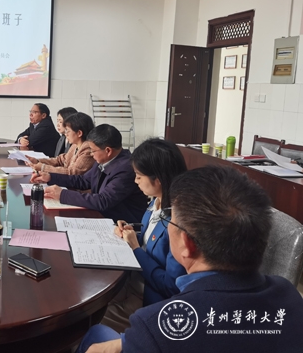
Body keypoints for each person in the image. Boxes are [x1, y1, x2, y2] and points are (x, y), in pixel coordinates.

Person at [76, 166, 303, 353]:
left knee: (95, 335)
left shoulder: (161, 324)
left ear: (188, 244)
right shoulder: (289, 294)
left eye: (170, 221)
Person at [102, 138, 187, 333]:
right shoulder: (156, 201)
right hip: (132, 282)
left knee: (89, 320)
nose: (135, 181)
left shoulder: (178, 221)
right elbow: (150, 237)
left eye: (139, 176)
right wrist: (130, 231)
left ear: (158, 179)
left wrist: (135, 248)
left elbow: (171, 286)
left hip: (148, 299)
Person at [31, 124, 147, 223]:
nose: (91, 154)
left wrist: (62, 195)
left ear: (108, 150)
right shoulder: (104, 159)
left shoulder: (126, 169)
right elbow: (84, 180)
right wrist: (50, 177)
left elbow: (103, 201)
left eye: (93, 150)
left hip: (122, 223)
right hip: (102, 215)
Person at [26, 112, 95, 175]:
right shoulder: (75, 145)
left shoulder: (87, 149)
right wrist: (37, 161)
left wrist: (43, 167)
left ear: (79, 133)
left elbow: (72, 172)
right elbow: (60, 160)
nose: (66, 134)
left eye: (68, 131)